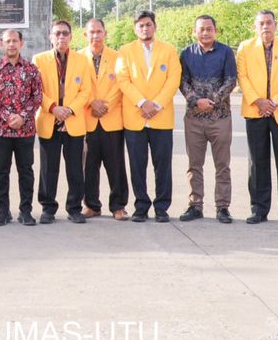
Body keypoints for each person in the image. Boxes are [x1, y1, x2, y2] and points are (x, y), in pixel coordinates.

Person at [116, 11, 182, 223]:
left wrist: (157, 104)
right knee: (137, 165)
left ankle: (162, 207)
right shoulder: (125, 51)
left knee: (162, 164)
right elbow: (123, 80)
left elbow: (173, 80)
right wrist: (142, 103)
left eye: (148, 25)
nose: (145, 29)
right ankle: (141, 206)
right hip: (135, 117)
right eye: (141, 26)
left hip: (161, 117)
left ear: (155, 27)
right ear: (135, 29)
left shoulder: (169, 50)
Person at [237, 9, 278, 226]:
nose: (265, 27)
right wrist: (258, 101)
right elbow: (242, 78)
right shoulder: (245, 48)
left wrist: (274, 102)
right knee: (257, 162)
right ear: (256, 27)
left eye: (269, 23)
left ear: (276, 25)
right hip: (255, 111)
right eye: (261, 23)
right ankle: (259, 209)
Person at [179, 14, 237, 223]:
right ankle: (195, 205)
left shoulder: (225, 52)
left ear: (216, 31)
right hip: (194, 119)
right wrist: (196, 101)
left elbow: (231, 81)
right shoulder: (186, 53)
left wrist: (210, 101)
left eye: (209, 29)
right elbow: (182, 81)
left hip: (220, 117)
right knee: (195, 164)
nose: (205, 32)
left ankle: (222, 207)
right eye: (201, 29)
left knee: (222, 165)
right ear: (194, 32)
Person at [0, 28, 42, 226]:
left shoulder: (31, 70)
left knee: (26, 171)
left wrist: (22, 117)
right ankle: (3, 211)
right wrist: (8, 116)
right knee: (1, 171)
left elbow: (37, 96)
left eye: (15, 40)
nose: (11, 44)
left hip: (25, 131)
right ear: (2, 43)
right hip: (1, 130)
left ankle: (26, 211)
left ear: (21, 43)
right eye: (8, 41)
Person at [35, 19, 91, 224]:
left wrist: (70, 109)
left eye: (65, 33)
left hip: (73, 121)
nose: (61, 37)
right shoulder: (39, 60)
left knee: (75, 168)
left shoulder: (81, 60)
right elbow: (35, 91)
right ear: (50, 36)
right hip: (49, 120)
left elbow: (86, 90)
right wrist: (53, 108)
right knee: (48, 168)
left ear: (71, 36)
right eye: (57, 33)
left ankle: (74, 207)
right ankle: (48, 208)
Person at [80, 18, 128, 220]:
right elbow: (78, 86)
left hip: (111, 117)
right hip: (88, 117)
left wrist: (105, 104)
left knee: (115, 164)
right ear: (85, 35)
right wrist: (92, 103)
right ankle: (91, 205)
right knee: (89, 165)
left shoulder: (118, 57)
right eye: (91, 32)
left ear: (105, 34)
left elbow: (121, 85)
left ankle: (118, 206)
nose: (95, 36)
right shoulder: (78, 58)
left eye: (99, 32)